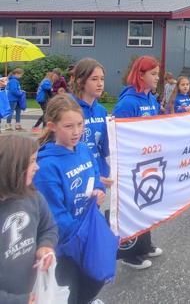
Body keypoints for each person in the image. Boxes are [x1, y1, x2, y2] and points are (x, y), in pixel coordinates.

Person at [33, 95, 107, 304]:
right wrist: (79, 237)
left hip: (88, 230)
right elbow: (54, 213)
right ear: (52, 126)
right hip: (66, 243)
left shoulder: (83, 149)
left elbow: (95, 174)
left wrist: (99, 190)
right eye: (68, 126)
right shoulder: (47, 166)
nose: (76, 132)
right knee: (70, 288)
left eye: (80, 124)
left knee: (96, 276)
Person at [113, 56, 163, 269]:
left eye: (158, 74)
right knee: (132, 207)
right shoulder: (128, 102)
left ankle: (144, 245)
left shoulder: (151, 99)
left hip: (148, 160)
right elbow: (118, 134)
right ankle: (129, 253)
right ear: (140, 75)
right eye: (153, 74)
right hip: (131, 163)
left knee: (146, 204)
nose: (157, 78)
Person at [0, 134, 58, 304]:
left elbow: (48, 227)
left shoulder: (33, 196)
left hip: (32, 289)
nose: (37, 167)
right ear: (12, 167)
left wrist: (45, 246)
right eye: (32, 161)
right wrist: (15, 301)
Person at [71, 59, 113, 188]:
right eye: (94, 79)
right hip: (77, 175)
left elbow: (106, 148)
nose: (100, 84)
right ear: (80, 81)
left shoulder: (101, 111)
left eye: (102, 79)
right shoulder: (69, 108)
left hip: (99, 173)